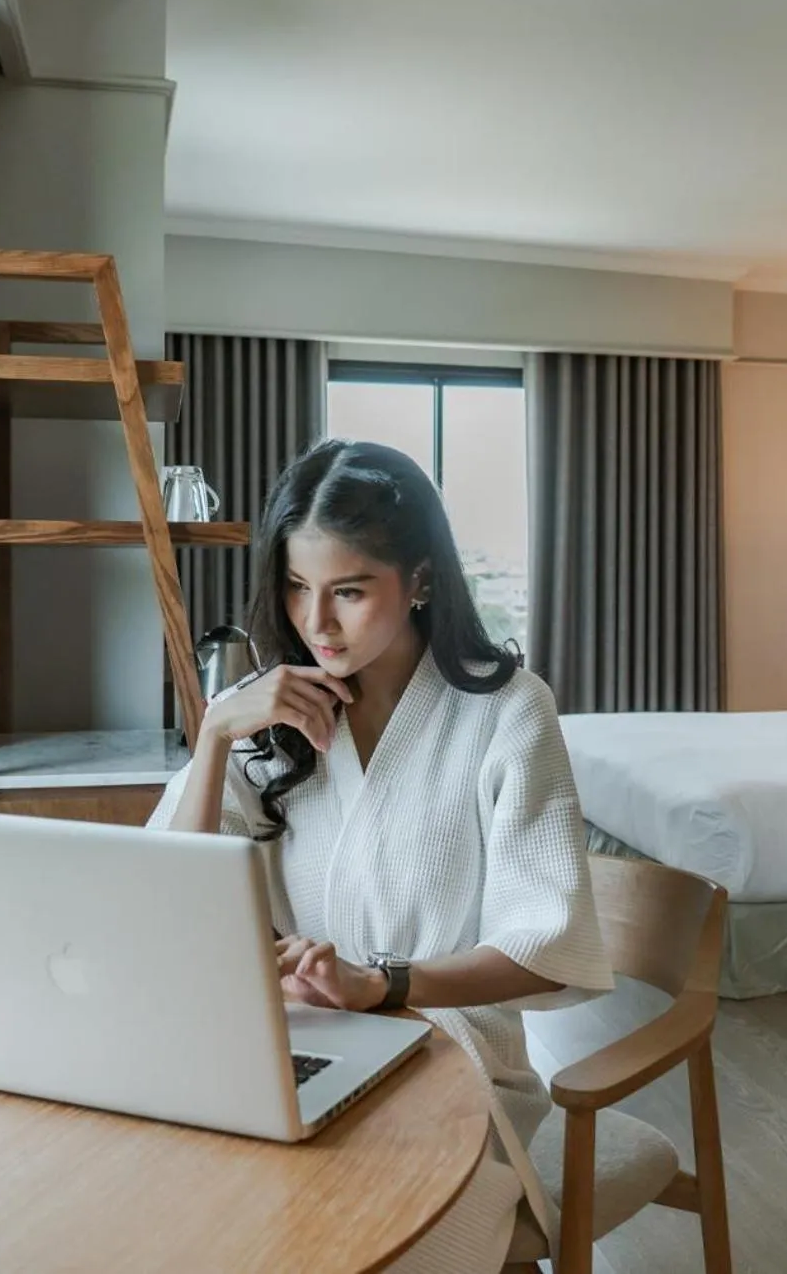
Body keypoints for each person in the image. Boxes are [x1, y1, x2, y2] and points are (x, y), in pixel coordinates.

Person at [148, 437, 613, 1272]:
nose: (314, 623)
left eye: (349, 592)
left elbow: (545, 951)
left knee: (358, 1239)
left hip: (453, 1058)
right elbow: (165, 899)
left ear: (421, 580)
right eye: (295, 587)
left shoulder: (507, 711)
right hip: (283, 1042)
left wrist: (385, 983)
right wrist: (217, 731)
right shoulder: (261, 710)